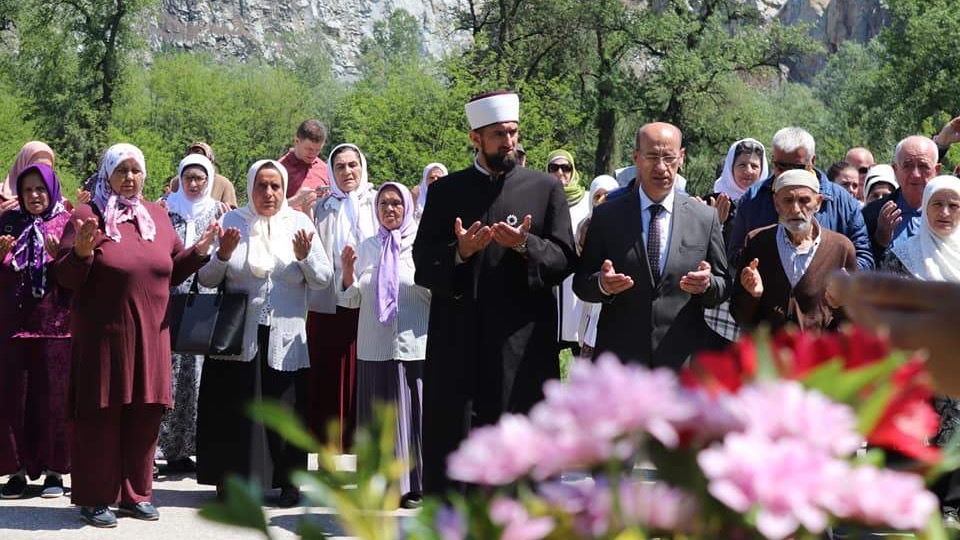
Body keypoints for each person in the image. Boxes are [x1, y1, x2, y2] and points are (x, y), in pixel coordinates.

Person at [413, 91, 577, 494]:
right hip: (459, 339)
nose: (509, 142)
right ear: (475, 138)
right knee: (456, 435)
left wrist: (525, 245)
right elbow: (422, 264)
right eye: (499, 134)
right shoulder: (447, 191)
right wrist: (460, 252)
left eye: (513, 132)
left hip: (520, 342)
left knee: (519, 436)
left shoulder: (544, 189)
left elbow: (563, 260)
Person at [53, 143, 216, 528]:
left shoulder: (156, 217)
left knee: (145, 417)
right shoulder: (86, 216)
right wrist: (79, 252)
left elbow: (170, 269)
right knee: (100, 418)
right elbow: (64, 279)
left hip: (151, 338)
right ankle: (95, 497)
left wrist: (201, 251)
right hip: (103, 339)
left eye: (135, 171)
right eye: (121, 171)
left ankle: (136, 494)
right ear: (107, 174)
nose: (129, 178)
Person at [195, 160, 332, 508]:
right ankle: (231, 479)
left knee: (284, 411)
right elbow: (207, 279)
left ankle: (288, 483)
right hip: (237, 334)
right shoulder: (232, 221)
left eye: (275, 186)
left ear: (284, 190)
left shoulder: (299, 223)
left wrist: (304, 258)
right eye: (261, 186)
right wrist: (223, 255)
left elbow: (323, 279)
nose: (269, 193)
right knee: (235, 410)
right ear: (250, 187)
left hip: (285, 337)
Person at [573, 122, 729, 368]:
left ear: (681, 157)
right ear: (636, 157)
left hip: (681, 362)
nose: (661, 167)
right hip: (621, 362)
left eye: (669, 157)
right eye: (652, 156)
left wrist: (707, 285)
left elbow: (722, 285)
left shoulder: (704, 218)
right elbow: (581, 284)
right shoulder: (607, 216)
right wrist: (602, 285)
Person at [337, 182, 429, 509]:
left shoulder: (422, 246)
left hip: (413, 345)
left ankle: (414, 485)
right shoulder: (367, 246)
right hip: (374, 346)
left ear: (407, 207)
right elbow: (349, 300)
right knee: (378, 417)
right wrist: (347, 271)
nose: (390, 209)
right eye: (383, 204)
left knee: (413, 415)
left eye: (396, 204)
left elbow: (437, 293)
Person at [0, 164, 72, 499]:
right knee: (15, 400)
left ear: (52, 189)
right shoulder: (8, 223)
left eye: (40, 189)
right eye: (27, 190)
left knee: (53, 402)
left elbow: (78, 278)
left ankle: (54, 472)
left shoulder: (66, 223)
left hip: (55, 326)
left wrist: (63, 258)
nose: (34, 196)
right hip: (14, 326)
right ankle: (15, 471)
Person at [157, 154, 227, 474]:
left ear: (209, 179)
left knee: (198, 374)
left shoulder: (219, 211)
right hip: (169, 299)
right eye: (189, 178)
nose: (195, 184)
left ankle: (195, 448)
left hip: (205, 300)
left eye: (200, 178)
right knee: (170, 373)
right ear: (180, 179)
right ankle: (168, 446)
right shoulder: (165, 209)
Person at [306, 143, 377, 450]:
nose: (348, 172)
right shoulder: (322, 208)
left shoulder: (377, 202)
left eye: (353, 165)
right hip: (328, 305)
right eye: (340, 167)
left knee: (364, 380)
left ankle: (361, 455)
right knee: (327, 380)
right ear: (332, 173)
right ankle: (324, 457)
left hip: (370, 303)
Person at [728, 127, 873, 270]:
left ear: (812, 161)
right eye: (781, 167)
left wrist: (839, 280)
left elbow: (864, 257)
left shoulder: (841, 201)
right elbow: (735, 254)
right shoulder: (753, 198)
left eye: (796, 168)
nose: (789, 175)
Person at [730, 169, 857, 332]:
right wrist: (752, 295)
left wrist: (840, 304)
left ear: (818, 202)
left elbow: (854, 322)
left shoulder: (841, 248)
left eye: (804, 200)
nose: (796, 209)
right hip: (768, 354)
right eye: (788, 200)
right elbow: (739, 315)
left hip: (817, 354)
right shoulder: (757, 242)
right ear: (776, 204)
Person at [701, 138, 769, 345]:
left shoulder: (768, 204)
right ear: (730, 168)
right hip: (717, 303)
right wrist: (715, 223)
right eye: (741, 165)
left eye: (754, 166)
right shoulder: (712, 201)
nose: (748, 171)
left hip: (756, 298)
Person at [862, 135, 942, 266]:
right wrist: (879, 241)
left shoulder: (950, 212)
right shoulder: (873, 214)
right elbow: (862, 266)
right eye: (908, 165)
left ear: (936, 170)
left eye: (923, 166)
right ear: (895, 170)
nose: (916, 174)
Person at [547, 149, 590, 353]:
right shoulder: (541, 198)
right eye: (554, 167)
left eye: (566, 168)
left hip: (577, 275)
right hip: (553, 277)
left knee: (578, 340)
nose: (560, 172)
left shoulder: (586, 200)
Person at [576, 175, 619, 359]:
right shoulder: (585, 226)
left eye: (608, 195)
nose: (602, 200)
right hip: (593, 300)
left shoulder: (625, 224)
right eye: (598, 196)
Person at [279, 120, 331, 215]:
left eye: (318, 150)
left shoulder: (326, 169)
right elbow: (268, 210)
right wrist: (295, 201)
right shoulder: (279, 169)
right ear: (297, 141)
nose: (313, 154)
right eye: (309, 149)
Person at [166, 142, 238, 208]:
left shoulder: (224, 184)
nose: (192, 184)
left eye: (199, 178)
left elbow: (231, 213)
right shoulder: (177, 181)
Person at [0, 142, 57, 216]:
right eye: (35, 168)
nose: (41, 173)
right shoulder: (2, 200)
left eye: (46, 168)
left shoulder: (61, 206)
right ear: (22, 165)